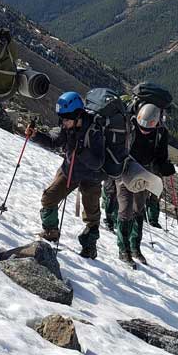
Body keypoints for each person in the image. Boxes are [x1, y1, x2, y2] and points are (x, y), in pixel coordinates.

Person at [33, 91, 106, 259]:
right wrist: (37, 135)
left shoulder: (94, 131)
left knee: (91, 214)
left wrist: (80, 152)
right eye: (62, 119)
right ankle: (51, 232)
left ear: (77, 115)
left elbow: (98, 163)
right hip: (70, 171)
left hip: (91, 176)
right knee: (48, 198)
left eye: (66, 119)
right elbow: (54, 140)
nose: (63, 123)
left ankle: (89, 247)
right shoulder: (67, 125)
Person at [116, 103, 175, 266]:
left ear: (156, 123)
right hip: (125, 170)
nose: (144, 130)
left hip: (145, 174)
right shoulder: (130, 126)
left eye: (148, 127)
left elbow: (160, 157)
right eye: (142, 126)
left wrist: (165, 167)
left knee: (138, 210)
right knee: (125, 209)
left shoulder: (161, 133)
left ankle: (135, 248)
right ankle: (124, 249)